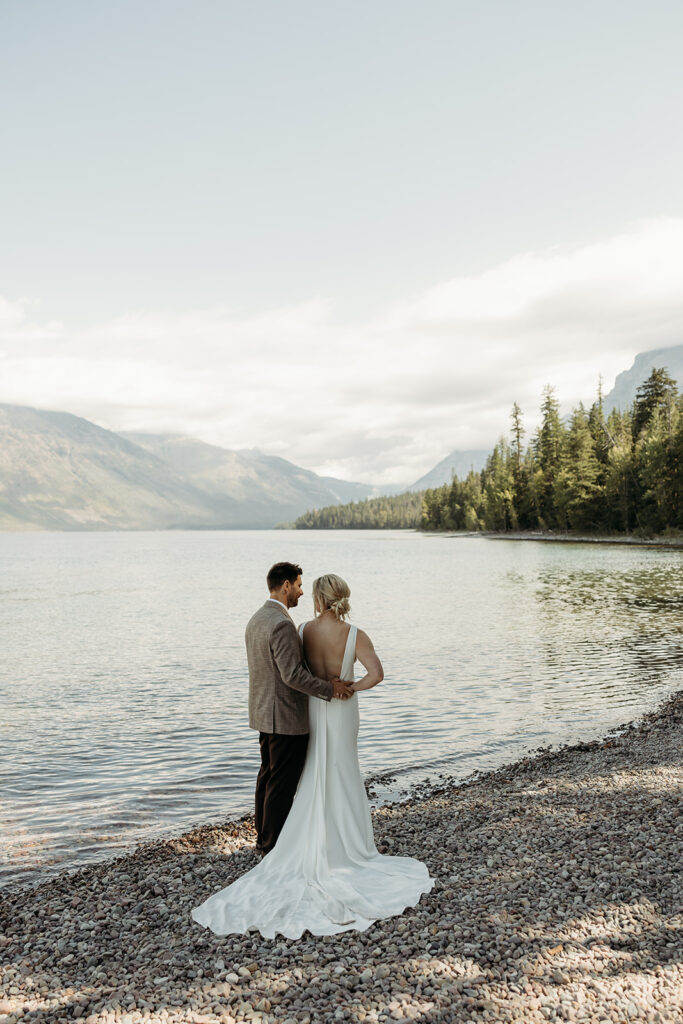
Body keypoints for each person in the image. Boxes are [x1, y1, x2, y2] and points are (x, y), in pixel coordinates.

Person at [191, 572, 434, 939]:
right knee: (342, 771)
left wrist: (325, 689)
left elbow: (294, 672)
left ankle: (292, 840)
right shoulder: (355, 634)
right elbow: (377, 674)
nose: (303, 593)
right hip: (340, 707)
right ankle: (350, 845)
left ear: (319, 599)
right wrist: (351, 687)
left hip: (312, 710)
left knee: (311, 772)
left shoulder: (302, 629)